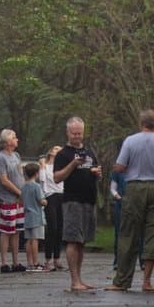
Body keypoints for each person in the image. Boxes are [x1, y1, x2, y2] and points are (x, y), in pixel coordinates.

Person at [106, 109, 154, 294]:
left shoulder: (130, 141)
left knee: (128, 233)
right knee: (152, 234)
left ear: (141, 123)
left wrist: (122, 166)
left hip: (135, 188)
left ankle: (122, 281)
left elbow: (120, 167)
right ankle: (146, 281)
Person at [53, 116, 102, 292]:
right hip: (72, 201)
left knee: (82, 242)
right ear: (67, 132)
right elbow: (57, 177)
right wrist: (73, 164)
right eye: (74, 133)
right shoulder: (63, 154)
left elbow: (95, 170)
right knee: (73, 240)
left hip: (89, 200)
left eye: (80, 133)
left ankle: (80, 279)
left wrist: (97, 173)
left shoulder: (89, 152)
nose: (77, 136)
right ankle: (74, 281)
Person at [0, 128, 26, 273]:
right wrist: (18, 192)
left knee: (17, 230)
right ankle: (4, 263)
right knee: (6, 230)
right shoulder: (0, 158)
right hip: (7, 199)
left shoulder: (16, 156)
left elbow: (20, 175)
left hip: (19, 200)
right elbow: (4, 180)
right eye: (14, 137)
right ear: (7, 141)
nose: (17, 139)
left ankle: (16, 262)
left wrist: (24, 192)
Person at [110, 168, 144, 271]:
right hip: (121, 205)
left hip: (137, 204)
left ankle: (142, 261)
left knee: (140, 233)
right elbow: (113, 188)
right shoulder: (117, 171)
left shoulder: (139, 169)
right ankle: (118, 261)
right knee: (119, 233)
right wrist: (118, 196)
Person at [39, 144, 63, 271]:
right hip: (50, 196)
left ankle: (57, 258)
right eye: (56, 149)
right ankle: (48, 259)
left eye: (60, 150)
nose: (58, 151)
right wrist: (43, 166)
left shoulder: (63, 166)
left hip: (62, 196)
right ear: (51, 152)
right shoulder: (45, 166)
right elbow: (42, 180)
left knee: (60, 228)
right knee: (52, 227)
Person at [21, 161, 47, 272]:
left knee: (28, 240)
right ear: (36, 173)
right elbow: (41, 201)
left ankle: (29, 263)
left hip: (27, 216)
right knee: (35, 240)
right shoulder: (37, 186)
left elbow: (21, 199)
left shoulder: (24, 187)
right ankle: (36, 263)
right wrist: (46, 201)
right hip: (37, 216)